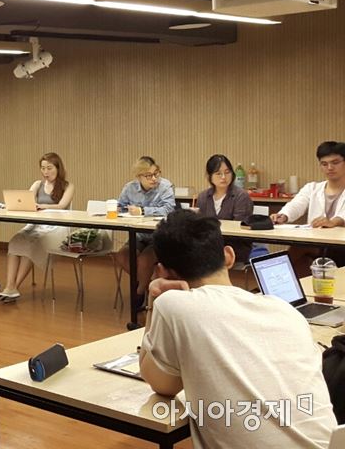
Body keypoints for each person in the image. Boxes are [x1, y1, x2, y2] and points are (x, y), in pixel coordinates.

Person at [139, 210, 335, 448]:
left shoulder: (174, 305)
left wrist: (154, 299)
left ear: (162, 271)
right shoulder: (284, 310)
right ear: (229, 256)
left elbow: (162, 385)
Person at [0, 153, 74, 302]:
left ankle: (13, 287)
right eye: (43, 168)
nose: (45, 172)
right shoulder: (38, 184)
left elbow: (62, 205)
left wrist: (42, 206)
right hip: (37, 224)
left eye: (49, 168)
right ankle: (10, 286)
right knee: (15, 242)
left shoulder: (67, 186)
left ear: (58, 168)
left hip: (57, 227)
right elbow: (26, 200)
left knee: (30, 247)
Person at [271, 141, 345, 271]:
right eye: (324, 164)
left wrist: (333, 222)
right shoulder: (312, 188)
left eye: (335, 162)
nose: (329, 168)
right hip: (317, 244)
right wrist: (283, 216)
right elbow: (296, 205)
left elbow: (342, 216)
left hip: (340, 246)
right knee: (301, 253)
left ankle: (274, 274)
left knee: (300, 248)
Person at [114, 156, 176, 307]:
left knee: (144, 261)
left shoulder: (165, 186)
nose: (154, 178)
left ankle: (140, 292)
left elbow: (169, 209)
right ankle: (146, 282)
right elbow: (120, 207)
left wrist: (142, 210)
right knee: (122, 256)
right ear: (139, 176)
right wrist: (119, 209)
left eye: (156, 173)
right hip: (138, 235)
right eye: (148, 176)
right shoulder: (129, 188)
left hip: (159, 236)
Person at [195, 154, 254, 263]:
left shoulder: (241, 196)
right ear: (209, 176)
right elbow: (200, 227)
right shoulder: (203, 197)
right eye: (218, 173)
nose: (223, 177)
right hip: (209, 247)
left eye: (227, 172)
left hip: (234, 248)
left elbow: (239, 229)